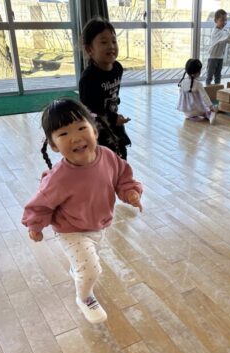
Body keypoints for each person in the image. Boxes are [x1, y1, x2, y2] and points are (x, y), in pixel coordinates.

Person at [22, 98, 143, 324]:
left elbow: (122, 177)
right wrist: (35, 225)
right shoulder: (59, 178)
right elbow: (40, 204)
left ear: (94, 131)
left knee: (86, 263)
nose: (76, 138)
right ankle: (85, 298)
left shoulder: (108, 156)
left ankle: (78, 270)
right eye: (64, 134)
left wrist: (130, 192)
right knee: (92, 270)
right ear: (54, 145)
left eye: (81, 128)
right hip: (71, 230)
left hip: (99, 224)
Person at [79, 18, 131, 160]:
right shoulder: (89, 78)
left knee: (121, 154)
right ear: (89, 49)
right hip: (97, 128)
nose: (111, 46)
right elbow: (90, 110)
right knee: (103, 159)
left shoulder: (117, 68)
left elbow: (112, 94)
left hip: (113, 122)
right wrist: (113, 118)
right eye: (103, 42)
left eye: (114, 41)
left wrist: (115, 109)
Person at [206, 9, 230, 85]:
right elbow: (227, 36)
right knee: (209, 76)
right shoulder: (215, 32)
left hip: (220, 57)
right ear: (216, 20)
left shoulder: (225, 31)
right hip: (212, 57)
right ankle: (207, 89)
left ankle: (217, 89)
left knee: (218, 76)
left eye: (225, 20)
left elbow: (229, 40)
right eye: (222, 20)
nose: (224, 22)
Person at [177, 58, 217, 124]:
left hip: (186, 112)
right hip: (197, 110)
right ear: (198, 72)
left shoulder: (182, 82)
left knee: (196, 107)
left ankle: (193, 117)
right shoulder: (198, 84)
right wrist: (211, 107)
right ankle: (208, 115)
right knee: (208, 109)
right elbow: (205, 97)